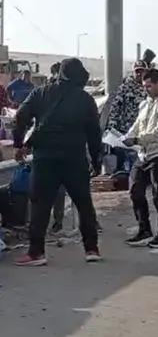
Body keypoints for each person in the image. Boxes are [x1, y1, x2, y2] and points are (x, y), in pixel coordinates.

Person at [11, 58, 103, 266]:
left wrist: (18, 144)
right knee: (83, 203)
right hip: (75, 159)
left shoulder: (41, 93)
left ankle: (36, 253)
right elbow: (94, 134)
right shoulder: (85, 99)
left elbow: (20, 117)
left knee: (40, 205)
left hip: (46, 159)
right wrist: (96, 162)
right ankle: (91, 248)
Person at [122, 68, 158, 248]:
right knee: (135, 190)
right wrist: (125, 138)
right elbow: (137, 125)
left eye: (149, 86)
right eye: (144, 86)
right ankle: (144, 229)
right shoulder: (145, 104)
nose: (146, 89)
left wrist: (138, 140)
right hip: (144, 154)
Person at [107, 57, 150, 171]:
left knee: (140, 157)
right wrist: (112, 123)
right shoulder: (125, 87)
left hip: (142, 129)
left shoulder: (148, 88)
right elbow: (116, 106)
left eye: (142, 71)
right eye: (137, 71)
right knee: (122, 155)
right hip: (125, 127)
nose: (139, 74)